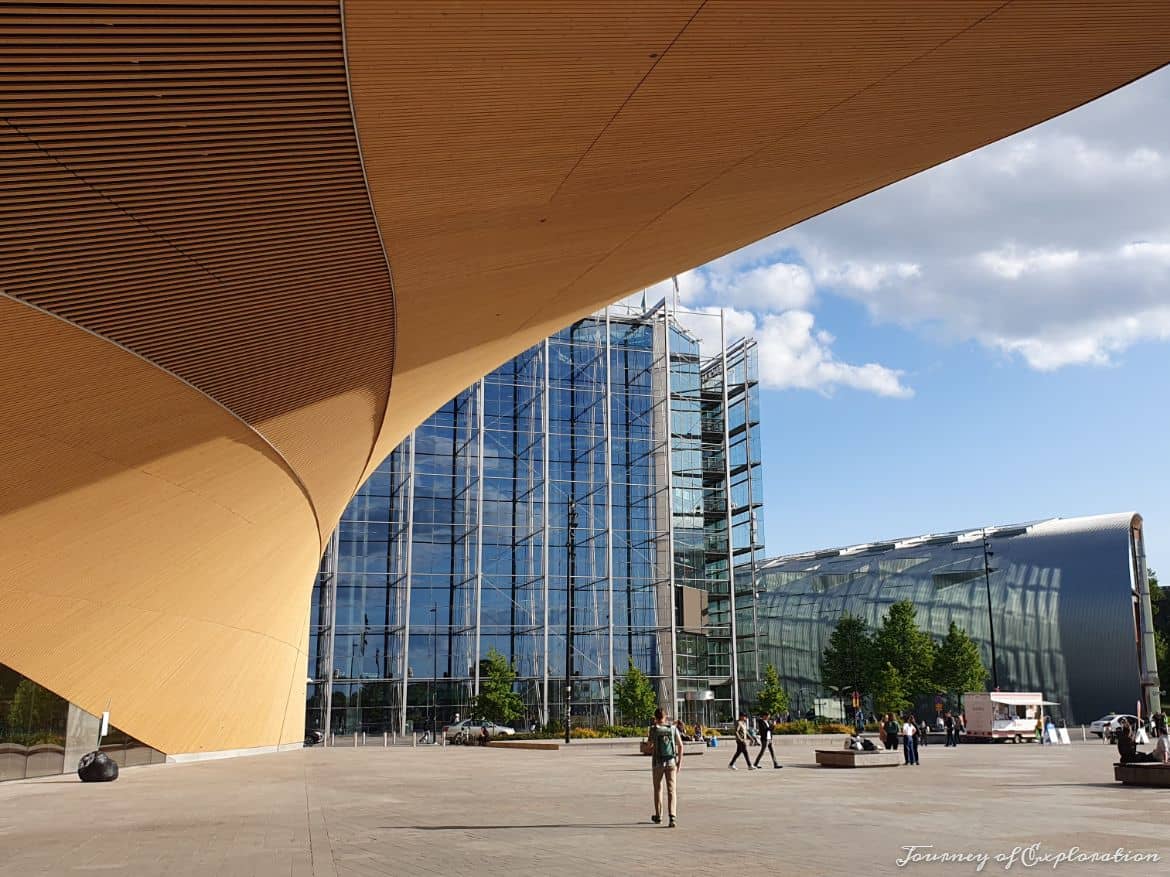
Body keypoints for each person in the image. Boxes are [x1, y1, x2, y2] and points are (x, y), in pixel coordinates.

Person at [648, 708, 683, 827]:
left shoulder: (653, 729)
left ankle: (658, 816)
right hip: (671, 762)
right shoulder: (673, 729)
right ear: (665, 717)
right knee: (672, 790)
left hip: (658, 763)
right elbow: (681, 746)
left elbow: (649, 745)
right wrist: (679, 762)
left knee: (658, 789)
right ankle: (672, 817)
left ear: (655, 717)